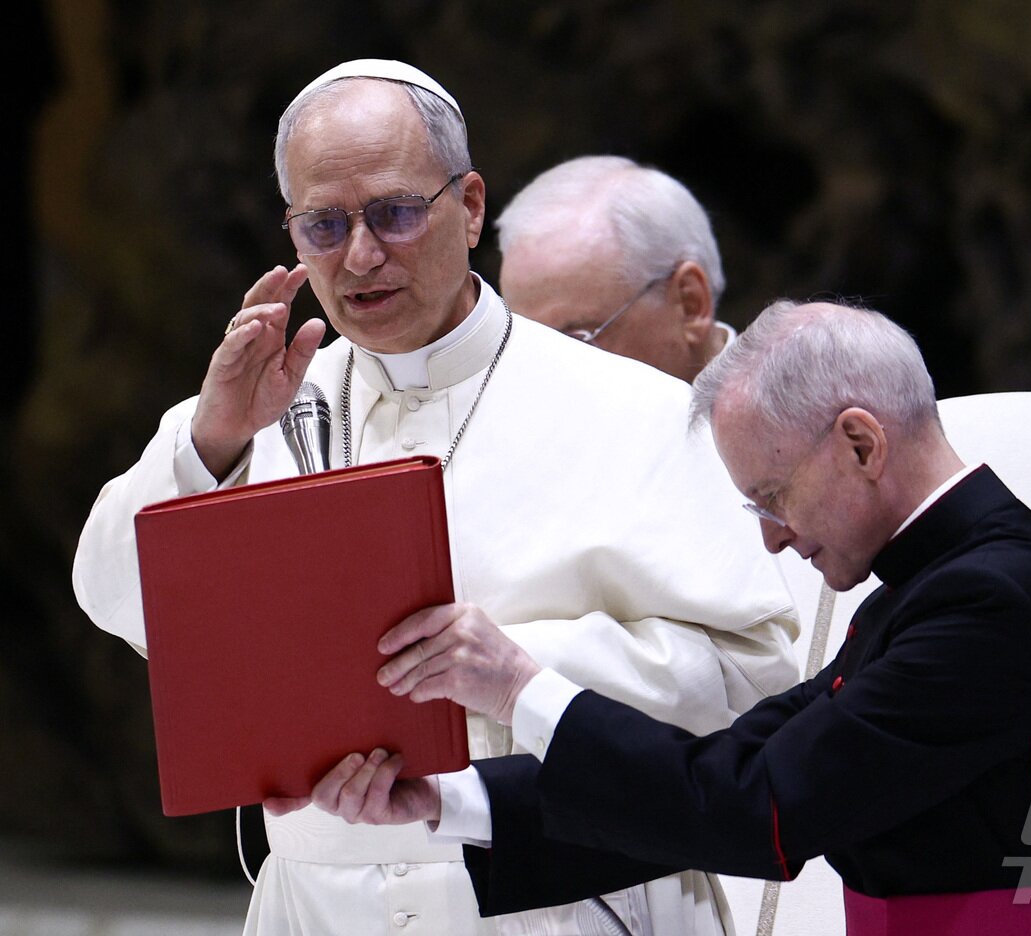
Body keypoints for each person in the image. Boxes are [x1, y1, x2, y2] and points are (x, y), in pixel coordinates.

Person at [72, 60, 800, 936]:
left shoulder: (629, 408)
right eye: (324, 226)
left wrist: (512, 671)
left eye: (395, 213)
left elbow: (755, 680)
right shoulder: (255, 405)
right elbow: (112, 599)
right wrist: (211, 441)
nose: (362, 255)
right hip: (317, 908)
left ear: (471, 207)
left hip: (569, 902)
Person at [285, 300, 1031, 936]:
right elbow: (725, 773)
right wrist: (444, 799)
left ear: (861, 443)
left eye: (772, 497)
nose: (770, 538)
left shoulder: (989, 604)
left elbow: (758, 810)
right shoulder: (931, 587)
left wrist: (520, 689)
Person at [496, 155, 734, 382]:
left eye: (577, 341)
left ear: (690, 303)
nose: (545, 377)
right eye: (526, 347)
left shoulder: (767, 419)